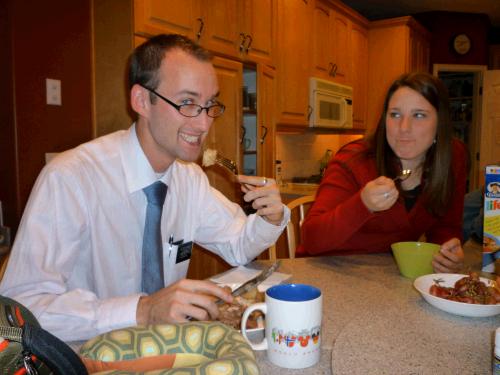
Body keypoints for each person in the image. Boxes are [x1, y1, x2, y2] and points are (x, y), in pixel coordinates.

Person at [0, 34, 289, 341]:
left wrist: (269, 219)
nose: (204, 125)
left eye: (209, 105)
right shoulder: (70, 179)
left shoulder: (189, 179)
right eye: (188, 103)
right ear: (141, 101)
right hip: (85, 357)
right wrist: (142, 310)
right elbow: (18, 312)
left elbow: (237, 245)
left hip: (165, 350)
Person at [300, 72, 466, 273]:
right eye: (395, 114)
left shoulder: (453, 159)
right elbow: (312, 239)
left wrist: (447, 254)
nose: (404, 128)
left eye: (419, 115)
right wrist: (362, 204)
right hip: (326, 270)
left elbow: (445, 226)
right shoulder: (353, 161)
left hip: (387, 275)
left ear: (440, 121)